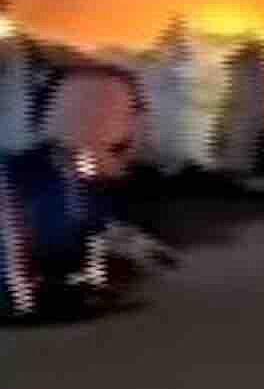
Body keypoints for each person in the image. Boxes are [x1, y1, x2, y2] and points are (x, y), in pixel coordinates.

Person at [2, 65, 170, 322]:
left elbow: (94, 222)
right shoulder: (22, 171)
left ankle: (67, 291)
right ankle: (27, 298)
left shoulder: (77, 169)